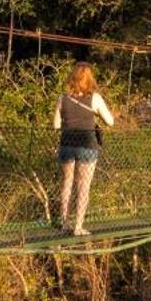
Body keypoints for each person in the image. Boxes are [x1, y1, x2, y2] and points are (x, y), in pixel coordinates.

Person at [52, 62, 115, 236]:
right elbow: (110, 121)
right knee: (83, 186)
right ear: (89, 79)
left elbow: (56, 125)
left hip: (67, 145)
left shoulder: (62, 98)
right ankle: (78, 227)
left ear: (72, 78)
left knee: (66, 184)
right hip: (87, 146)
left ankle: (64, 223)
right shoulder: (95, 98)